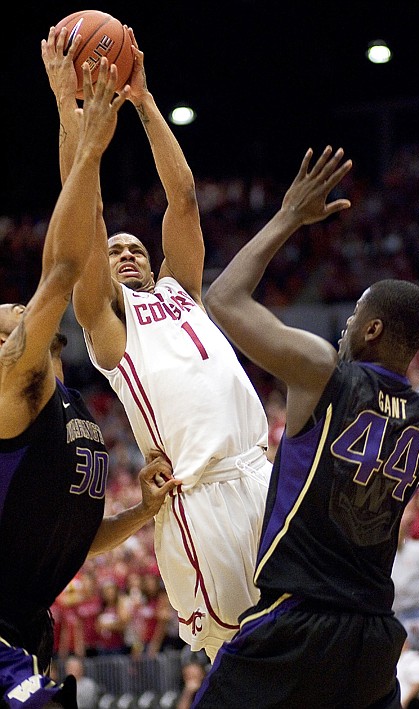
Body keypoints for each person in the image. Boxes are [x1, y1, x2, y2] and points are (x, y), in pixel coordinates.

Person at [192, 145, 419, 708]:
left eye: (355, 313)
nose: (345, 321)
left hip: (295, 619)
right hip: (371, 636)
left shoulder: (324, 375)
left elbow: (222, 298)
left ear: (371, 330)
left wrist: (290, 214)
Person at [41, 25, 271, 663]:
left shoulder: (182, 294)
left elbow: (186, 201)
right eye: (115, 250)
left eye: (135, 247)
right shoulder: (107, 326)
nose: (126, 252)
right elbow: (83, 221)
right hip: (199, 496)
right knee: (239, 655)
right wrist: (73, 117)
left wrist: (143, 101)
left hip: (260, 471)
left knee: (301, 642)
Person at [0, 59, 180, 709]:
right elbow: (68, 260)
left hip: (26, 635)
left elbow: (76, 531)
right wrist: (75, 129)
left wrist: (141, 512)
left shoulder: (70, 401)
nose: (10, 319)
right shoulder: (13, 384)